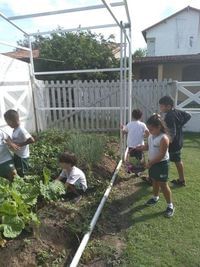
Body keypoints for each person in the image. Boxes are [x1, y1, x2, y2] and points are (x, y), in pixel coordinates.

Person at [138, 114, 174, 217]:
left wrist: (150, 163)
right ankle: (155, 197)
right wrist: (140, 147)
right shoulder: (151, 135)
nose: (149, 131)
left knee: (163, 184)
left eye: (151, 129)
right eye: (148, 129)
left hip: (162, 164)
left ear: (159, 127)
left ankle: (170, 205)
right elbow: (148, 147)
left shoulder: (164, 138)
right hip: (153, 162)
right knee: (154, 180)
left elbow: (161, 155)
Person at [159, 96, 191, 186]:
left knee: (162, 160)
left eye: (162, 106)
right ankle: (182, 180)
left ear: (168, 106)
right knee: (177, 160)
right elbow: (189, 115)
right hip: (179, 142)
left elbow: (172, 131)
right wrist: (180, 124)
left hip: (172, 143)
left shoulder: (169, 116)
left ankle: (157, 178)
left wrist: (167, 142)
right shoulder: (177, 111)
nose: (160, 108)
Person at [4, 109, 35, 177]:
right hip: (18, 154)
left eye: (7, 122)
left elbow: (32, 140)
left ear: (11, 121)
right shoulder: (15, 129)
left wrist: (20, 145)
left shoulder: (21, 129)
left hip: (22, 157)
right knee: (19, 171)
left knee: (23, 173)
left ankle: (26, 185)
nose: (7, 124)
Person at [121, 109, 149, 175]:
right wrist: (144, 136)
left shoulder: (129, 124)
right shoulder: (142, 124)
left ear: (132, 116)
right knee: (139, 158)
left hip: (131, 145)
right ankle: (138, 171)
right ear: (141, 116)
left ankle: (131, 169)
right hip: (140, 146)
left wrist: (122, 128)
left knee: (132, 158)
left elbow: (124, 132)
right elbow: (147, 133)